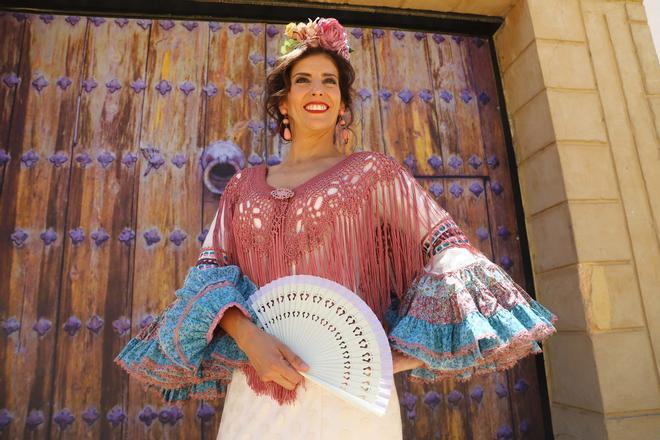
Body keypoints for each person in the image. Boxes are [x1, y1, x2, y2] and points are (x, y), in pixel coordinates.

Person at [115, 17, 557, 440]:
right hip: (256, 390)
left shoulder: (372, 173)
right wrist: (250, 340)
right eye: (303, 79)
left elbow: (448, 248)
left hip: (353, 398)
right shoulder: (240, 187)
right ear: (283, 103)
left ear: (343, 103)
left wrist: (392, 355)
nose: (318, 90)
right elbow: (207, 278)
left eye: (330, 81)